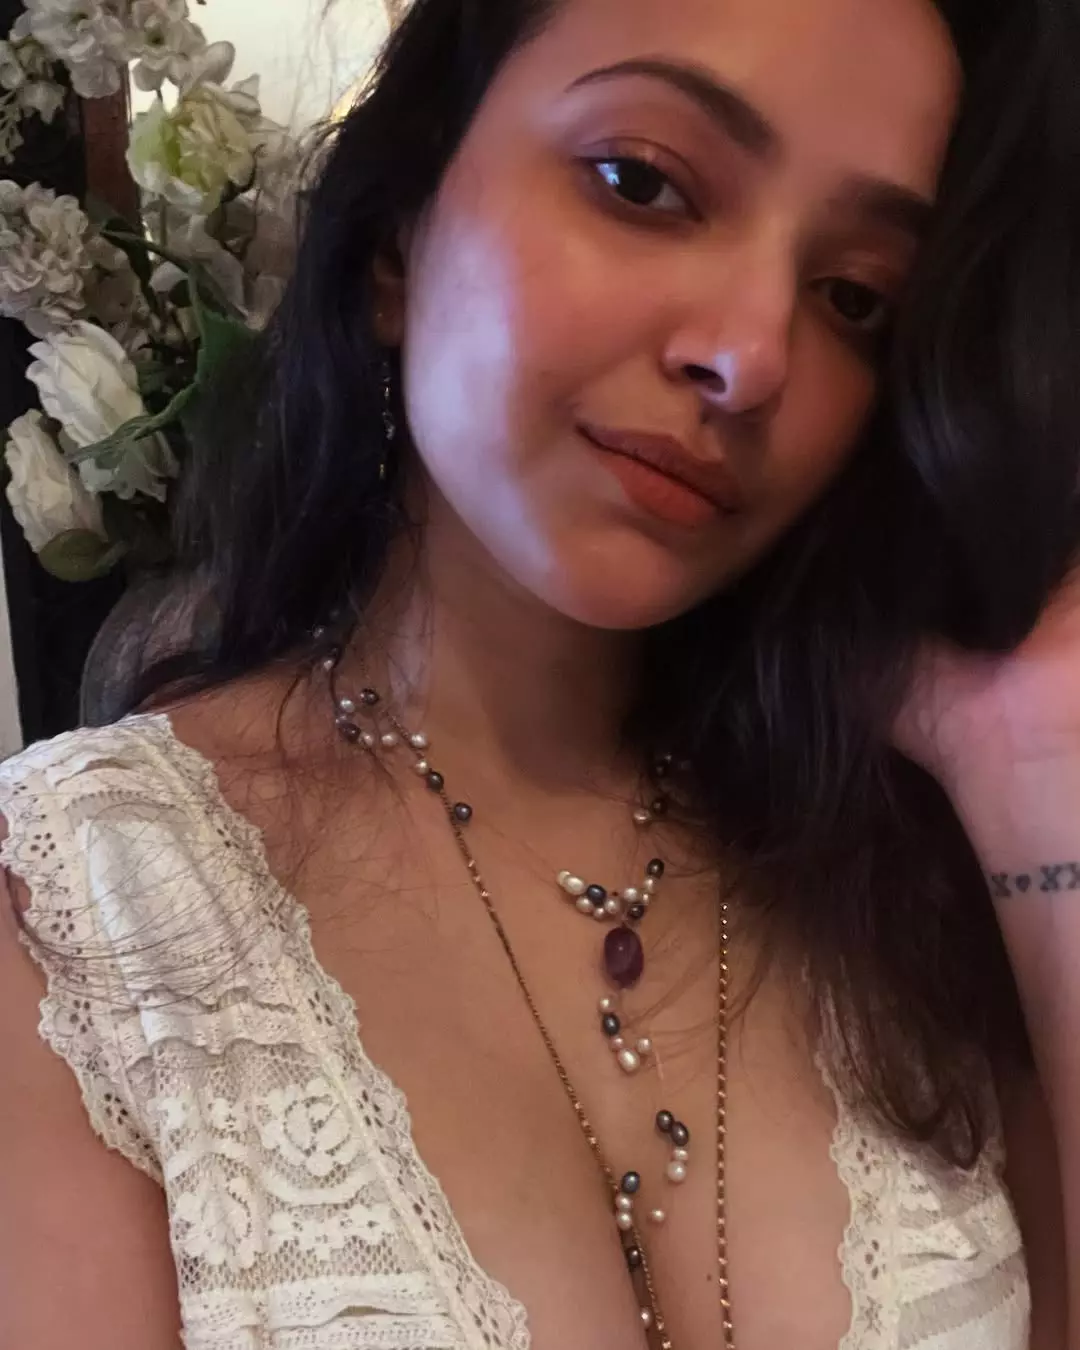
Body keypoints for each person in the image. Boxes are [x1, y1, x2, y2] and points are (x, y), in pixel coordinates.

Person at [1, 0, 1077, 1345]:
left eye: (855, 294)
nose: (751, 356)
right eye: (644, 181)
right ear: (400, 233)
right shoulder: (73, 927)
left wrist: (1035, 764)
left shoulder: (901, 877)